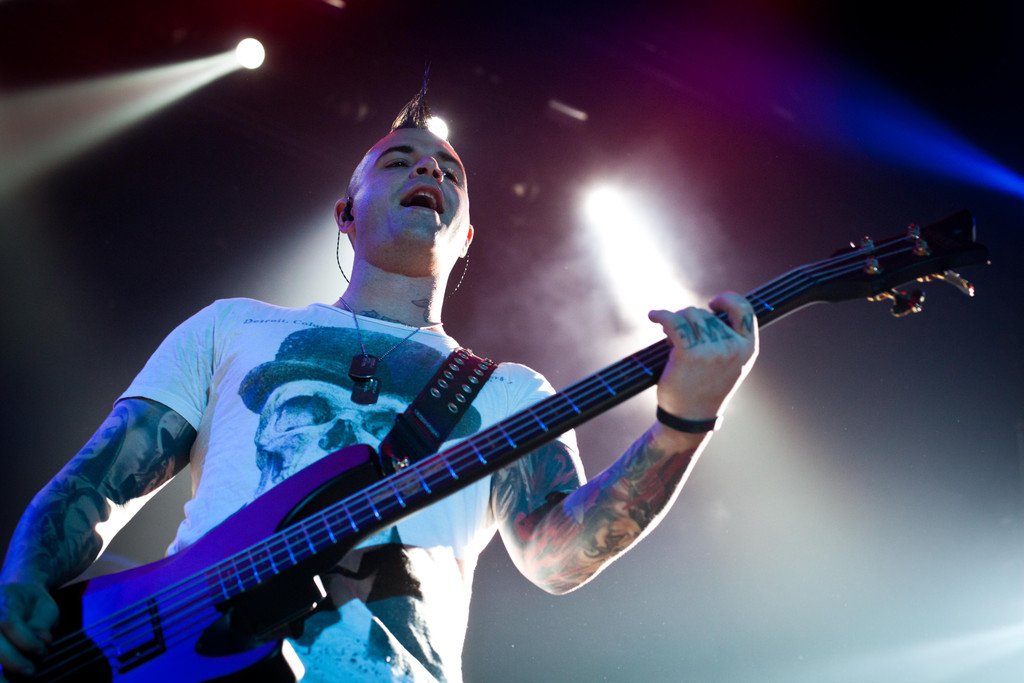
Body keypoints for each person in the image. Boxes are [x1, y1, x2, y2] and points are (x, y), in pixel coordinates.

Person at [0, 89, 757, 681]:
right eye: (399, 162)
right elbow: (98, 481)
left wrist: (683, 425)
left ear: (465, 235)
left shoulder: (511, 393)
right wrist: (25, 579)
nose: (430, 172)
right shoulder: (234, 327)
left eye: (449, 173)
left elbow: (558, 558)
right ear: (346, 214)